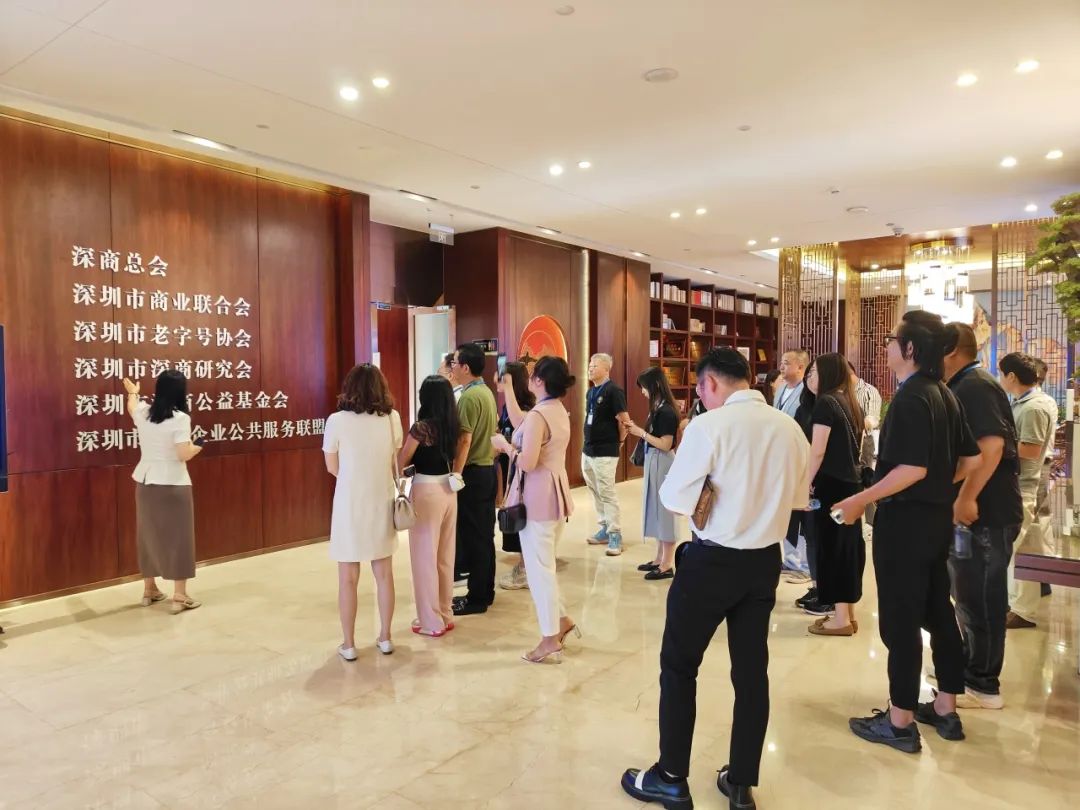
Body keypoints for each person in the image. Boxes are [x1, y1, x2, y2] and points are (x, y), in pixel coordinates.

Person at [621, 348, 810, 810]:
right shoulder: (789, 428)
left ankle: (670, 777)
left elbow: (673, 498)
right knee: (751, 674)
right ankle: (741, 784)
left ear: (709, 384)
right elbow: (798, 499)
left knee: (679, 665)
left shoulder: (709, 426)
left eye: (701, 389)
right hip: (763, 563)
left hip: (712, 563)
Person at [834, 311, 981, 753]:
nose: (886, 346)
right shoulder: (944, 393)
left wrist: (860, 499)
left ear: (911, 348)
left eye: (891, 339)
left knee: (900, 620)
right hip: (934, 522)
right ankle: (945, 707)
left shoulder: (911, 397)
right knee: (937, 610)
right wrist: (938, 488)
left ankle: (899, 721)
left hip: (904, 525)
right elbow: (970, 460)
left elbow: (912, 468)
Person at [941, 325, 1023, 709]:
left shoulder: (974, 386)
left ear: (949, 351)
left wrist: (966, 497)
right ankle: (970, 667)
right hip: (978, 513)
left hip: (987, 512)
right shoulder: (965, 384)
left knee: (983, 599)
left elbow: (991, 446)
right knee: (968, 595)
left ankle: (983, 683)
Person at [491, 356, 579, 663]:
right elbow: (523, 424)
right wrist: (508, 390)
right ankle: (561, 621)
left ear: (540, 381)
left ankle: (549, 639)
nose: (528, 378)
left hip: (537, 498)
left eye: (532, 375)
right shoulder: (554, 410)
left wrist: (504, 446)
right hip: (554, 496)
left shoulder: (541, 414)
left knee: (539, 572)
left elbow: (526, 461)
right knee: (544, 567)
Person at [323, 364, 402, 660]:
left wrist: (353, 478)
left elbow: (332, 466)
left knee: (348, 577)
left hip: (349, 503)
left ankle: (349, 644)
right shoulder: (392, 419)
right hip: (381, 498)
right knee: (384, 574)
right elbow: (392, 459)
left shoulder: (336, 421)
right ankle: (386, 637)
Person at [123, 372, 203, 615]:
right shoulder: (180, 418)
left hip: (145, 483)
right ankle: (180, 595)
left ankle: (149, 590)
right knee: (180, 538)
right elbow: (182, 454)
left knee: (148, 536)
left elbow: (132, 406)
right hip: (174, 484)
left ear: (158, 389)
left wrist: (133, 392)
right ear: (181, 392)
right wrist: (198, 446)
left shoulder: (144, 412)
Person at [804, 353, 866, 637]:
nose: (810, 377)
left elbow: (818, 451)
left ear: (827, 373)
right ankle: (847, 615)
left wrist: (804, 482)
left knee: (832, 549)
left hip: (830, 487)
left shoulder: (825, 403)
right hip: (850, 485)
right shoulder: (848, 401)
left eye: (814, 372)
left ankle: (840, 620)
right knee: (847, 549)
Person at [998, 352, 1058, 630]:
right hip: (1022, 483)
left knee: (1009, 549)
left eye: (1001, 374)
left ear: (1011, 376)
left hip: (1023, 485)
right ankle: (1023, 609)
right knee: (1027, 550)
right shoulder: (1027, 402)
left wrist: (995, 446)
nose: (1000, 379)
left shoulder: (1034, 407)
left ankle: (1018, 607)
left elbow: (1031, 450)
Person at [399, 375, 461, 637]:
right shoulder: (453, 426)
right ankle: (445, 614)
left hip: (426, 491)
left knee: (424, 558)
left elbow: (402, 461)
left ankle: (431, 622)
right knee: (445, 557)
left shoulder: (421, 429)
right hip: (449, 490)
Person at [450, 343, 500, 616]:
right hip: (487, 470)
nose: (452, 367)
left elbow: (464, 439)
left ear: (466, 367)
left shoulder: (469, 397)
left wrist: (456, 474)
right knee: (484, 536)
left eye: (455, 362)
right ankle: (485, 591)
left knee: (475, 538)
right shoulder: (485, 391)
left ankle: (477, 598)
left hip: (473, 473)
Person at [627, 367, 681, 581]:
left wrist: (640, 432)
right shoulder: (658, 408)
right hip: (655, 460)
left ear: (654, 386)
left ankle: (667, 563)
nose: (642, 391)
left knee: (664, 512)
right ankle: (659, 558)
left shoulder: (666, 411)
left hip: (662, 461)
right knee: (656, 510)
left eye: (643, 387)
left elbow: (666, 444)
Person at [582, 353, 630, 556]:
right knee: (595, 490)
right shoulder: (591, 392)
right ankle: (604, 527)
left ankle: (615, 534)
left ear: (606, 369)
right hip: (588, 450)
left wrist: (619, 442)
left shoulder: (614, 391)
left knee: (607, 492)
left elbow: (624, 421)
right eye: (590, 365)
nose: (590, 368)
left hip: (605, 451)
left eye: (594, 366)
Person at [496, 361, 536, 591]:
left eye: (502, 377)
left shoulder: (529, 408)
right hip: (512, 467)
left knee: (523, 517)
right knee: (515, 515)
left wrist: (505, 445)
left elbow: (518, 424)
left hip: (524, 470)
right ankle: (523, 565)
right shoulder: (506, 405)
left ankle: (525, 568)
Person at [776, 349, 812, 579]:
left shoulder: (807, 392)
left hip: (799, 458)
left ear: (800, 367)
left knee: (800, 512)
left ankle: (803, 564)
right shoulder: (780, 389)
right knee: (786, 511)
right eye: (781, 362)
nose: (781, 366)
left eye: (786, 363)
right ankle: (789, 559)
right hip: (781, 458)